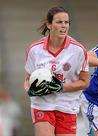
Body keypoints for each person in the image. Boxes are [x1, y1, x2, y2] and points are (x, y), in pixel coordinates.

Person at [24, 5, 89, 136]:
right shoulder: (34, 49)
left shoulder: (78, 50)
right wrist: (30, 90)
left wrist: (60, 87)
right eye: (59, 22)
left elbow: (85, 82)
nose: (64, 26)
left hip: (67, 106)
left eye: (66, 22)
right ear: (49, 24)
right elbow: (27, 79)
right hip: (42, 105)